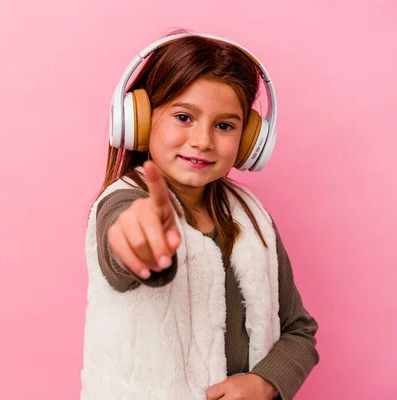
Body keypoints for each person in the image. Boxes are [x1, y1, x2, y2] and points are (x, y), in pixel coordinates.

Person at [80, 30, 319, 400]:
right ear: (139, 120)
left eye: (224, 125)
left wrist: (265, 382)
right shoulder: (123, 203)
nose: (204, 140)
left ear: (249, 140)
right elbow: (127, 243)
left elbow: (299, 330)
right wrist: (145, 246)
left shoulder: (252, 218)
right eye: (183, 117)